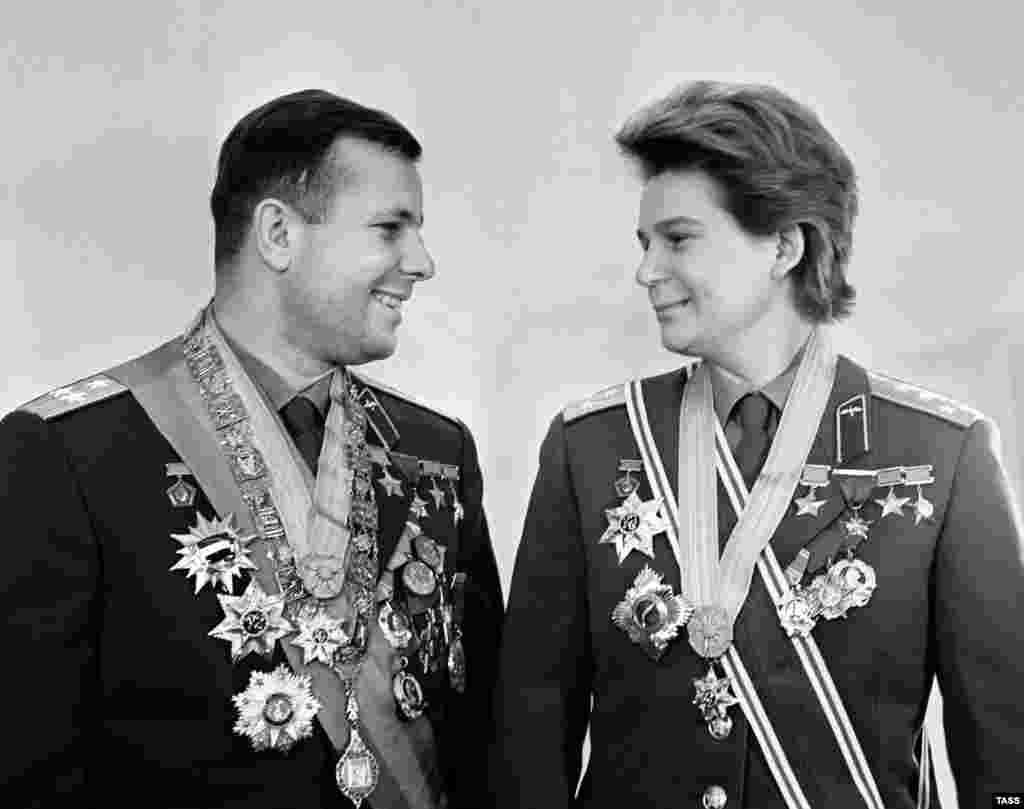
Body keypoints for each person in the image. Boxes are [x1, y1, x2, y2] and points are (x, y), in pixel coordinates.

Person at [492, 80, 1023, 809]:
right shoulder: (589, 448)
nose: (646, 270)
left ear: (784, 244)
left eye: (678, 239)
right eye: (645, 243)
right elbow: (530, 739)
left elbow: (1003, 757)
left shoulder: (944, 455)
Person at [1, 89, 502, 809]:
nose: (421, 262)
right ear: (277, 234)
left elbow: (481, 746)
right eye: (390, 228)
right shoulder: (66, 456)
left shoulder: (436, 452)